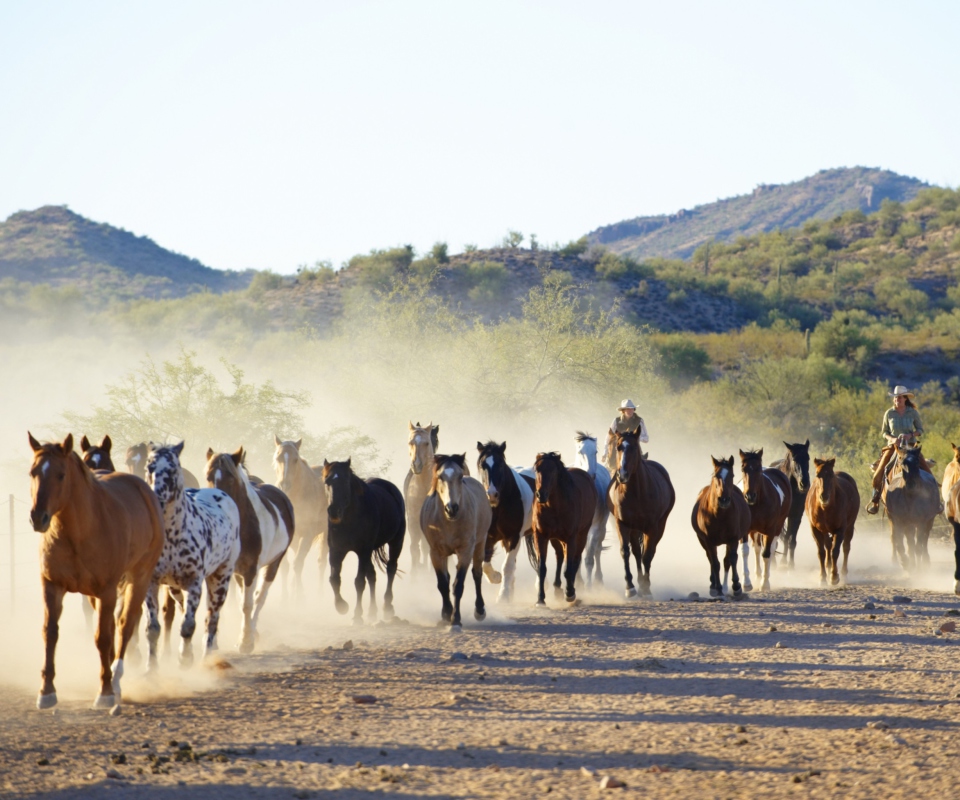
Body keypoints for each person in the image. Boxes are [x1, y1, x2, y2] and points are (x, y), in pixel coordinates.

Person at [866, 385, 931, 514]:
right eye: (896, 398)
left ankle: (935, 500)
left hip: (911, 447)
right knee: (880, 471)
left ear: (905, 399)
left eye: (900, 397)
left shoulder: (912, 412)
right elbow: (884, 432)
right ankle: (875, 499)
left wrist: (911, 435)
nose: (897, 400)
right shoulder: (889, 413)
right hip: (893, 447)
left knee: (927, 471)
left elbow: (920, 430)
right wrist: (892, 438)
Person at [603, 399, 648, 470]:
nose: (630, 411)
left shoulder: (639, 421)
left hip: (634, 451)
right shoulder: (616, 421)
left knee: (645, 470)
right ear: (623, 410)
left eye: (631, 409)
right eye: (628, 409)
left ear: (634, 409)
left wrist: (635, 437)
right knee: (606, 470)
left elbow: (646, 438)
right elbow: (608, 438)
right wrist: (605, 453)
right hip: (618, 450)